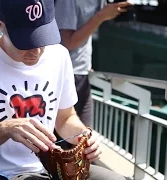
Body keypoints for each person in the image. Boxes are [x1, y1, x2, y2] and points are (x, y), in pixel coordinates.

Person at [0, 0, 128, 179]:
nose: (36, 52)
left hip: (54, 166)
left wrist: (83, 136)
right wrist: (4, 129)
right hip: (3, 173)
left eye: (43, 37)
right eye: (25, 41)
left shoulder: (59, 55)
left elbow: (65, 118)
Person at [53, 0, 132, 149]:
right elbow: (68, 42)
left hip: (82, 72)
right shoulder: (68, 2)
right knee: (71, 143)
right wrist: (100, 16)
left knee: (84, 141)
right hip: (68, 74)